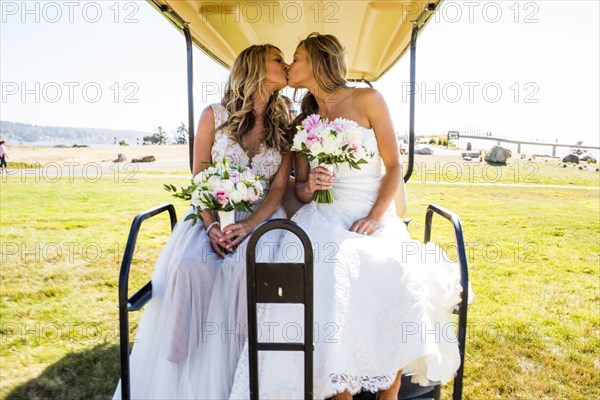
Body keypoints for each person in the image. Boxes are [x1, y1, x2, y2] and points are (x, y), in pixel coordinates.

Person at [229, 33, 465, 400]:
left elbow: (392, 167)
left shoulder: (368, 100)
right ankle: (339, 387)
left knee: (394, 268)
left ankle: (391, 385)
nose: (290, 65)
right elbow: (303, 189)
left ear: (320, 61)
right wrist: (312, 186)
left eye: (297, 57)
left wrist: (374, 217)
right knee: (321, 268)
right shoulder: (304, 121)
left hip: (371, 212)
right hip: (324, 213)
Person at [113, 44, 292, 400]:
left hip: (264, 218)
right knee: (191, 265)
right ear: (255, 66)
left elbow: (279, 188)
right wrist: (211, 226)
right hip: (212, 215)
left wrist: (251, 225)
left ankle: (248, 368)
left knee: (247, 267)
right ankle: (181, 361)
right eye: (277, 59)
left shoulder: (283, 120)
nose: (285, 65)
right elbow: (200, 176)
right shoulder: (214, 115)